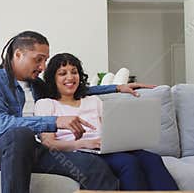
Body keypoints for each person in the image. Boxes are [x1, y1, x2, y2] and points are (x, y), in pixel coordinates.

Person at [0, 31, 151, 193]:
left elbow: (71, 89)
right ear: (18, 54)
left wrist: (118, 88)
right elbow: (1, 124)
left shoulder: (36, 85)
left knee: (94, 165)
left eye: (45, 60)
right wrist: (55, 121)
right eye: (38, 59)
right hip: (3, 150)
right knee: (21, 135)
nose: (43, 67)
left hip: (37, 150)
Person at [34, 53, 178, 190]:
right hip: (80, 151)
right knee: (128, 163)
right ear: (53, 79)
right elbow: (49, 143)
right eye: (62, 73)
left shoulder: (93, 101)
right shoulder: (46, 104)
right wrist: (83, 143)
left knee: (152, 159)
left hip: (105, 148)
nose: (70, 77)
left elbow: (110, 130)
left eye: (74, 72)